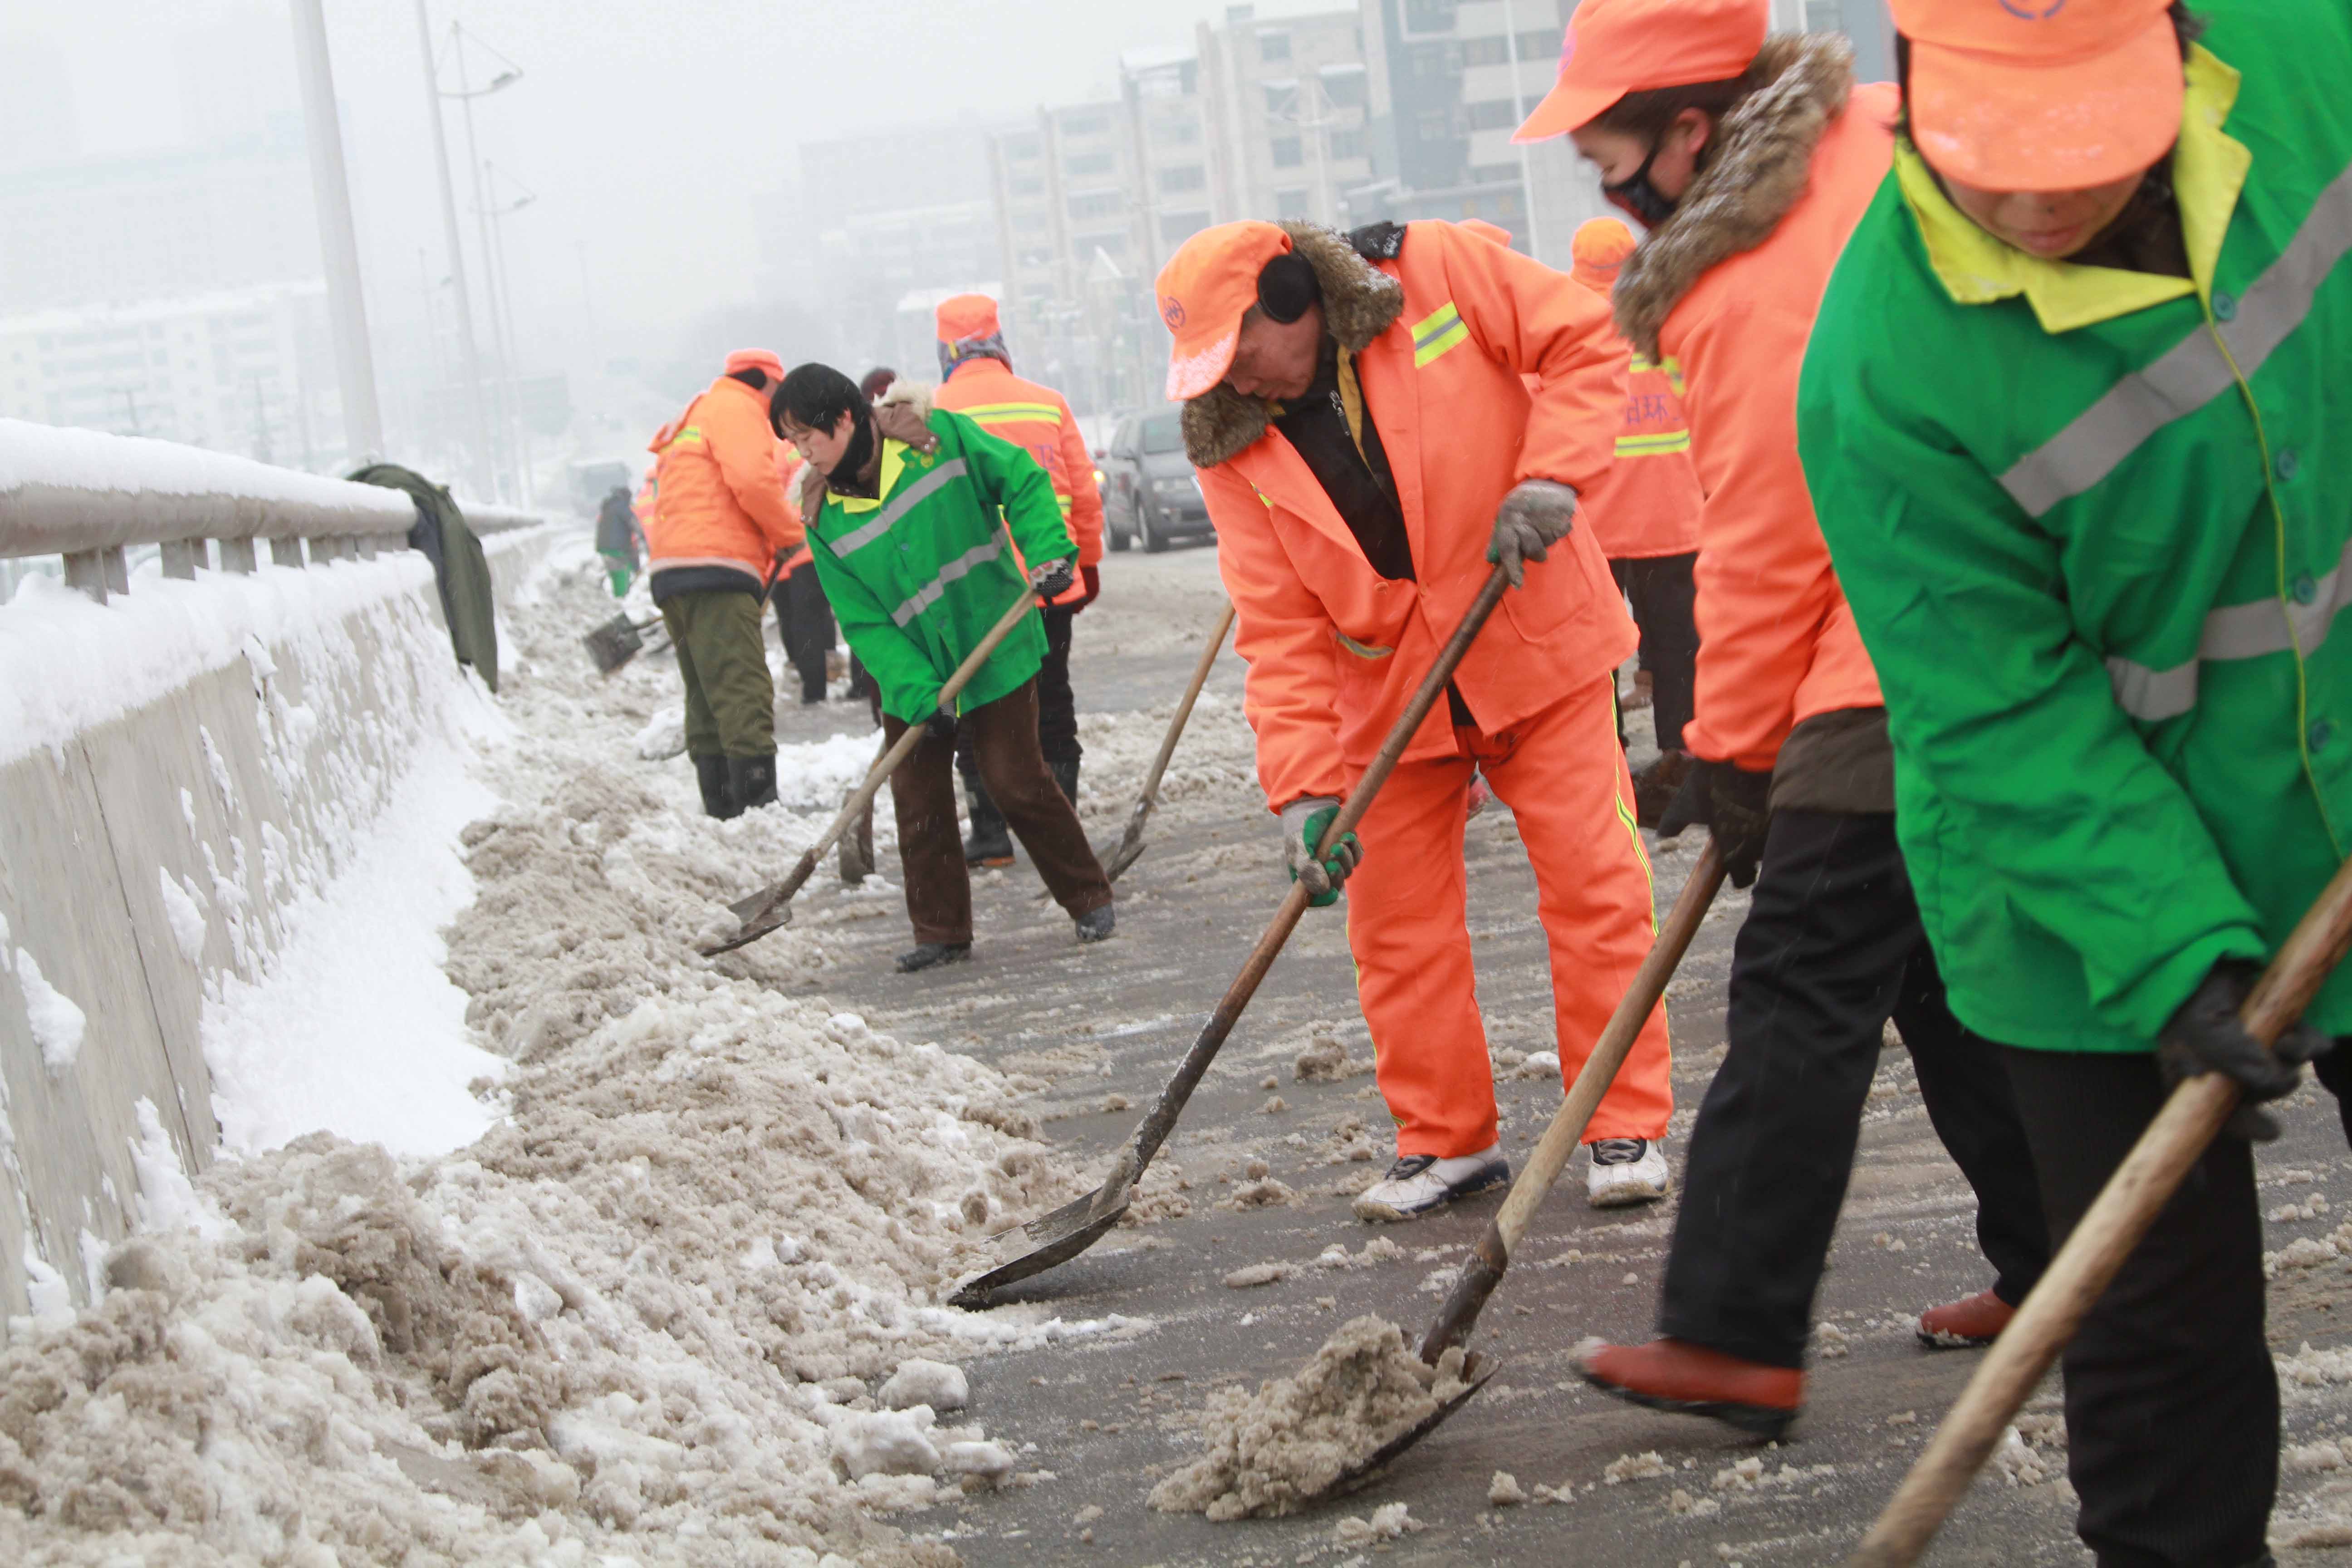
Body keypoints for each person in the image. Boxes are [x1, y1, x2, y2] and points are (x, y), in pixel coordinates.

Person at [1797, 0, 2347, 1558]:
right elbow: (1998, 712)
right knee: (2158, 1340)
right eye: (1996, 161)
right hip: (2076, 884)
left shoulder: (2313, 62)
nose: (2039, 205)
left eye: (2086, 154)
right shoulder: (1884, 369)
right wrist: (2172, 953)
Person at [1510, 0, 2050, 1436]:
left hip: (1897, 641)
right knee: (1937, 980)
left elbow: (1764, 536)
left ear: (1690, 130)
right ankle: (2055, 1266)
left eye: (1611, 148)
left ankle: (1736, 1332)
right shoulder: (1867, 127)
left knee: (1801, 982)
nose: (1601, 179)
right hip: (1991, 601)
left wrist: (1734, 756)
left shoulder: (1745, 278)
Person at [1156, 216, 1677, 1215]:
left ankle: (1619, 1124)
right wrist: (1303, 796)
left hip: (1534, 635)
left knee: (1594, 884)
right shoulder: (1231, 446)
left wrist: (1553, 475)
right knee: (1396, 926)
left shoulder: (1435, 271)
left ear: (1289, 296)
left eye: (1240, 352)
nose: (1236, 380)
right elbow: (1278, 628)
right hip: (1388, 693)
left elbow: (1584, 339)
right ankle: (1445, 1141)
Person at [772, 363, 1115, 971]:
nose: (802, 453)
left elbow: (1025, 481)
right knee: (917, 792)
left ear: (846, 420)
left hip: (993, 641)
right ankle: (941, 931)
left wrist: (1048, 551)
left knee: (1013, 778)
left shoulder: (938, 442)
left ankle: (1087, 896)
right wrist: (917, 691)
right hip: (913, 672)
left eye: (808, 437)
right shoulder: (823, 517)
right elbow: (865, 623)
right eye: (793, 442)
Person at [930, 293, 1107, 867]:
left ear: (946, 350)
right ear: (999, 343)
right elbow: (1083, 494)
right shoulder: (1047, 403)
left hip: (974, 593)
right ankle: (1065, 827)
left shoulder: (931, 415)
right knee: (1052, 702)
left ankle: (989, 838)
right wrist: (1089, 564)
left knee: (974, 710)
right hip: (1048, 580)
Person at [1564, 217, 1704, 822]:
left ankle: (1605, 756)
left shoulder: (1572, 331)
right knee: (1681, 645)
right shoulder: (1670, 326)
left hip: (1593, 522)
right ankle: (1683, 753)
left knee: (1595, 648)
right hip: (1673, 517)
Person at [645, 349, 801, 819]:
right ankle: (757, 808)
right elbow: (753, 480)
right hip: (717, 565)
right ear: (767, 385)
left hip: (674, 567)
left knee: (706, 691)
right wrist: (791, 536)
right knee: (742, 685)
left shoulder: (700, 409)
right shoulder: (738, 407)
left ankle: (722, 808)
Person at [765, 443, 832, 706]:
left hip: (802, 545)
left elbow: (775, 498)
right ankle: (863, 686)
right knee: (855, 609)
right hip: (832, 537)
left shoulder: (778, 449)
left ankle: (814, 690)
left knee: (804, 621)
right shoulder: (826, 433)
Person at [593, 484, 644, 598]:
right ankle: (621, 599)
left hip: (604, 547)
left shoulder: (608, 507)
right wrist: (645, 537)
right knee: (622, 573)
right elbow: (636, 525)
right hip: (617, 548)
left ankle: (618, 597)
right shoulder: (622, 508)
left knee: (615, 574)